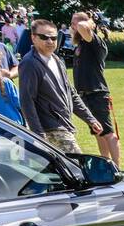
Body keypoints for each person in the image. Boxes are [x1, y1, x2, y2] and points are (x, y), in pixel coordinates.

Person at [18, 19, 102, 155]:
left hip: (64, 125)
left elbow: (71, 93)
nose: (50, 41)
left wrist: (90, 119)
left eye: (53, 38)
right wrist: (38, 134)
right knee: (77, 168)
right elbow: (27, 101)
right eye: (44, 37)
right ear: (33, 38)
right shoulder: (30, 63)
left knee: (57, 172)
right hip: (50, 129)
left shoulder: (57, 60)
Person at [69, 13, 119, 165]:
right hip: (85, 95)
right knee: (98, 132)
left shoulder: (94, 42)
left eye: (74, 23)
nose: (72, 26)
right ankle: (106, 164)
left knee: (108, 133)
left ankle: (117, 167)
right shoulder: (81, 44)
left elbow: (83, 27)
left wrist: (89, 21)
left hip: (97, 93)